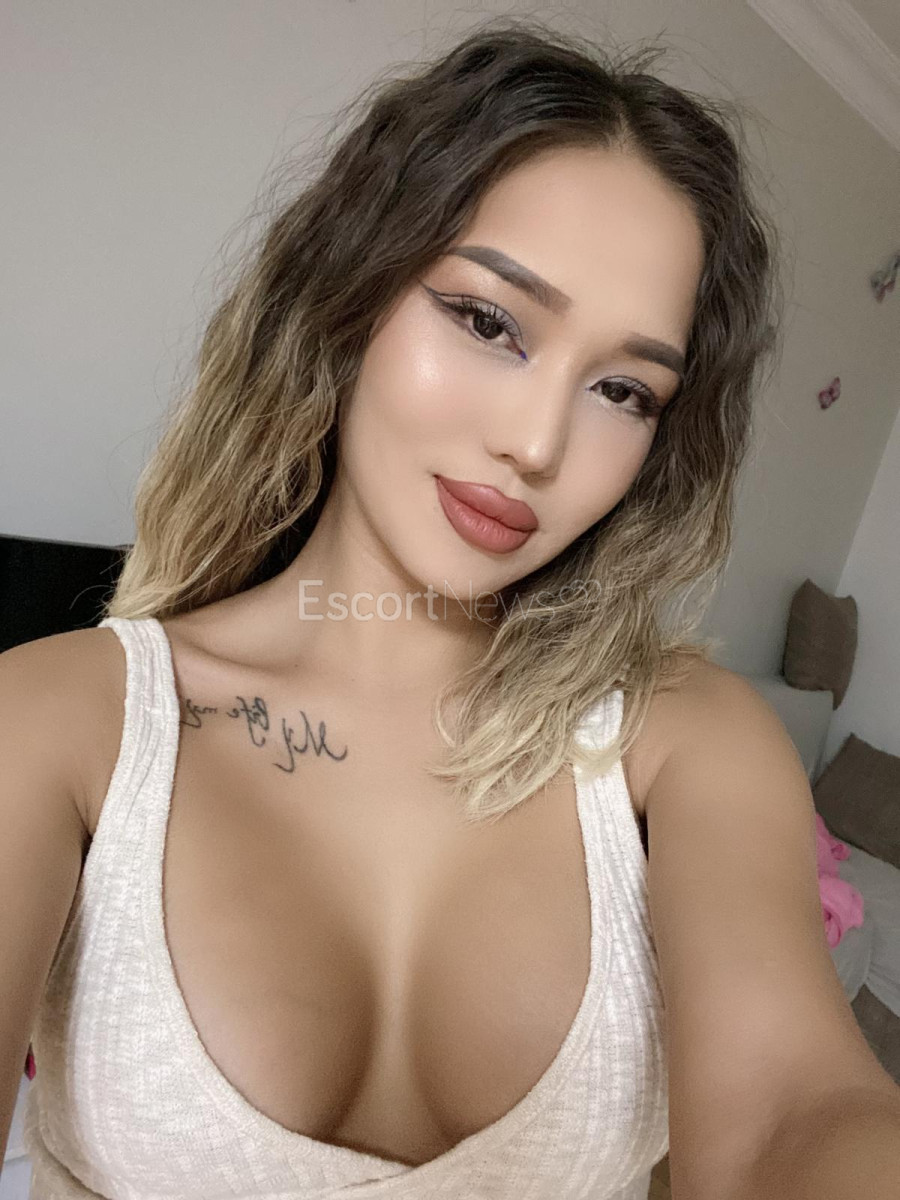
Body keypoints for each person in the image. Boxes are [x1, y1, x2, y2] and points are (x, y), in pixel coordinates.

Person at [4, 16, 900, 1200]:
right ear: (351, 294)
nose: (535, 444)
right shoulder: (60, 722)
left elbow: (795, 1111)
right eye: (487, 321)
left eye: (624, 390)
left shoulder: (688, 739)